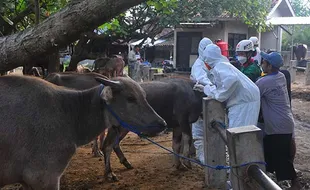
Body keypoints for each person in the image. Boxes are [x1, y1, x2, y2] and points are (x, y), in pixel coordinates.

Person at [255, 52, 301, 190]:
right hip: (286, 121)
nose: (262, 63)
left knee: (280, 158)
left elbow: (252, 93)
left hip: (277, 125)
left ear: (269, 66)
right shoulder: (281, 76)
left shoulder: (263, 82)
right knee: (272, 155)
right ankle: (270, 182)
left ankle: (295, 184)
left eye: (264, 62)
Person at [193, 44, 260, 129]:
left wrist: (219, 95)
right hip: (244, 100)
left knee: (239, 133)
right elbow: (221, 87)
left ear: (208, 59)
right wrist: (206, 89)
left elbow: (232, 81)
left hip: (244, 102)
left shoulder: (220, 66)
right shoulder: (221, 64)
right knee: (237, 132)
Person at [190, 37, 213, 164]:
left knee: (211, 129)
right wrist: (213, 87)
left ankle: (210, 156)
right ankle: (202, 158)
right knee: (199, 131)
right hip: (199, 100)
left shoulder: (209, 63)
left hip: (210, 98)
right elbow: (202, 79)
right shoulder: (198, 64)